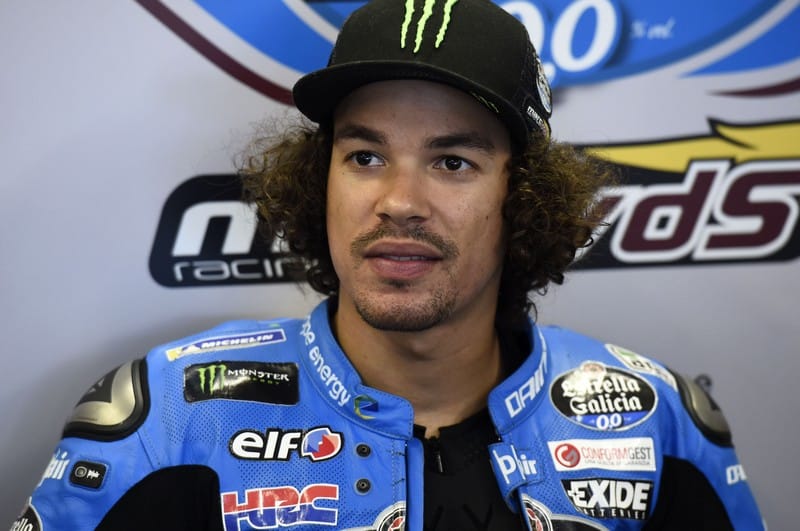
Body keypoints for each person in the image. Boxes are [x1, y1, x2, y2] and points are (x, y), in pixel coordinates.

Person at [12, 0, 764, 529]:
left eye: (453, 161)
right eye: (365, 156)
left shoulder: (656, 421)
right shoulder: (166, 422)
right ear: (321, 179)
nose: (399, 202)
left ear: (524, 197)